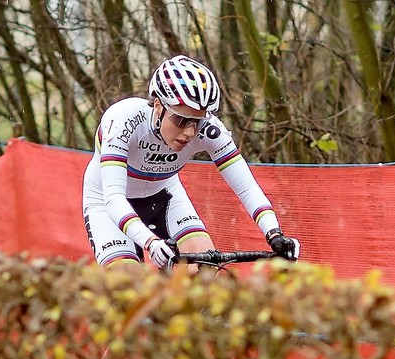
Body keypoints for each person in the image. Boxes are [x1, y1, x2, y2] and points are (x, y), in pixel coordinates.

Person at [82, 54, 299, 269]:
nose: (189, 132)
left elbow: (246, 188)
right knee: (126, 285)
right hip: (106, 201)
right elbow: (113, 198)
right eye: (181, 120)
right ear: (158, 106)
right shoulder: (123, 120)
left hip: (165, 195)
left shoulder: (210, 130)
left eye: (197, 121)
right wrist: (150, 242)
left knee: (204, 269)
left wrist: (274, 233)